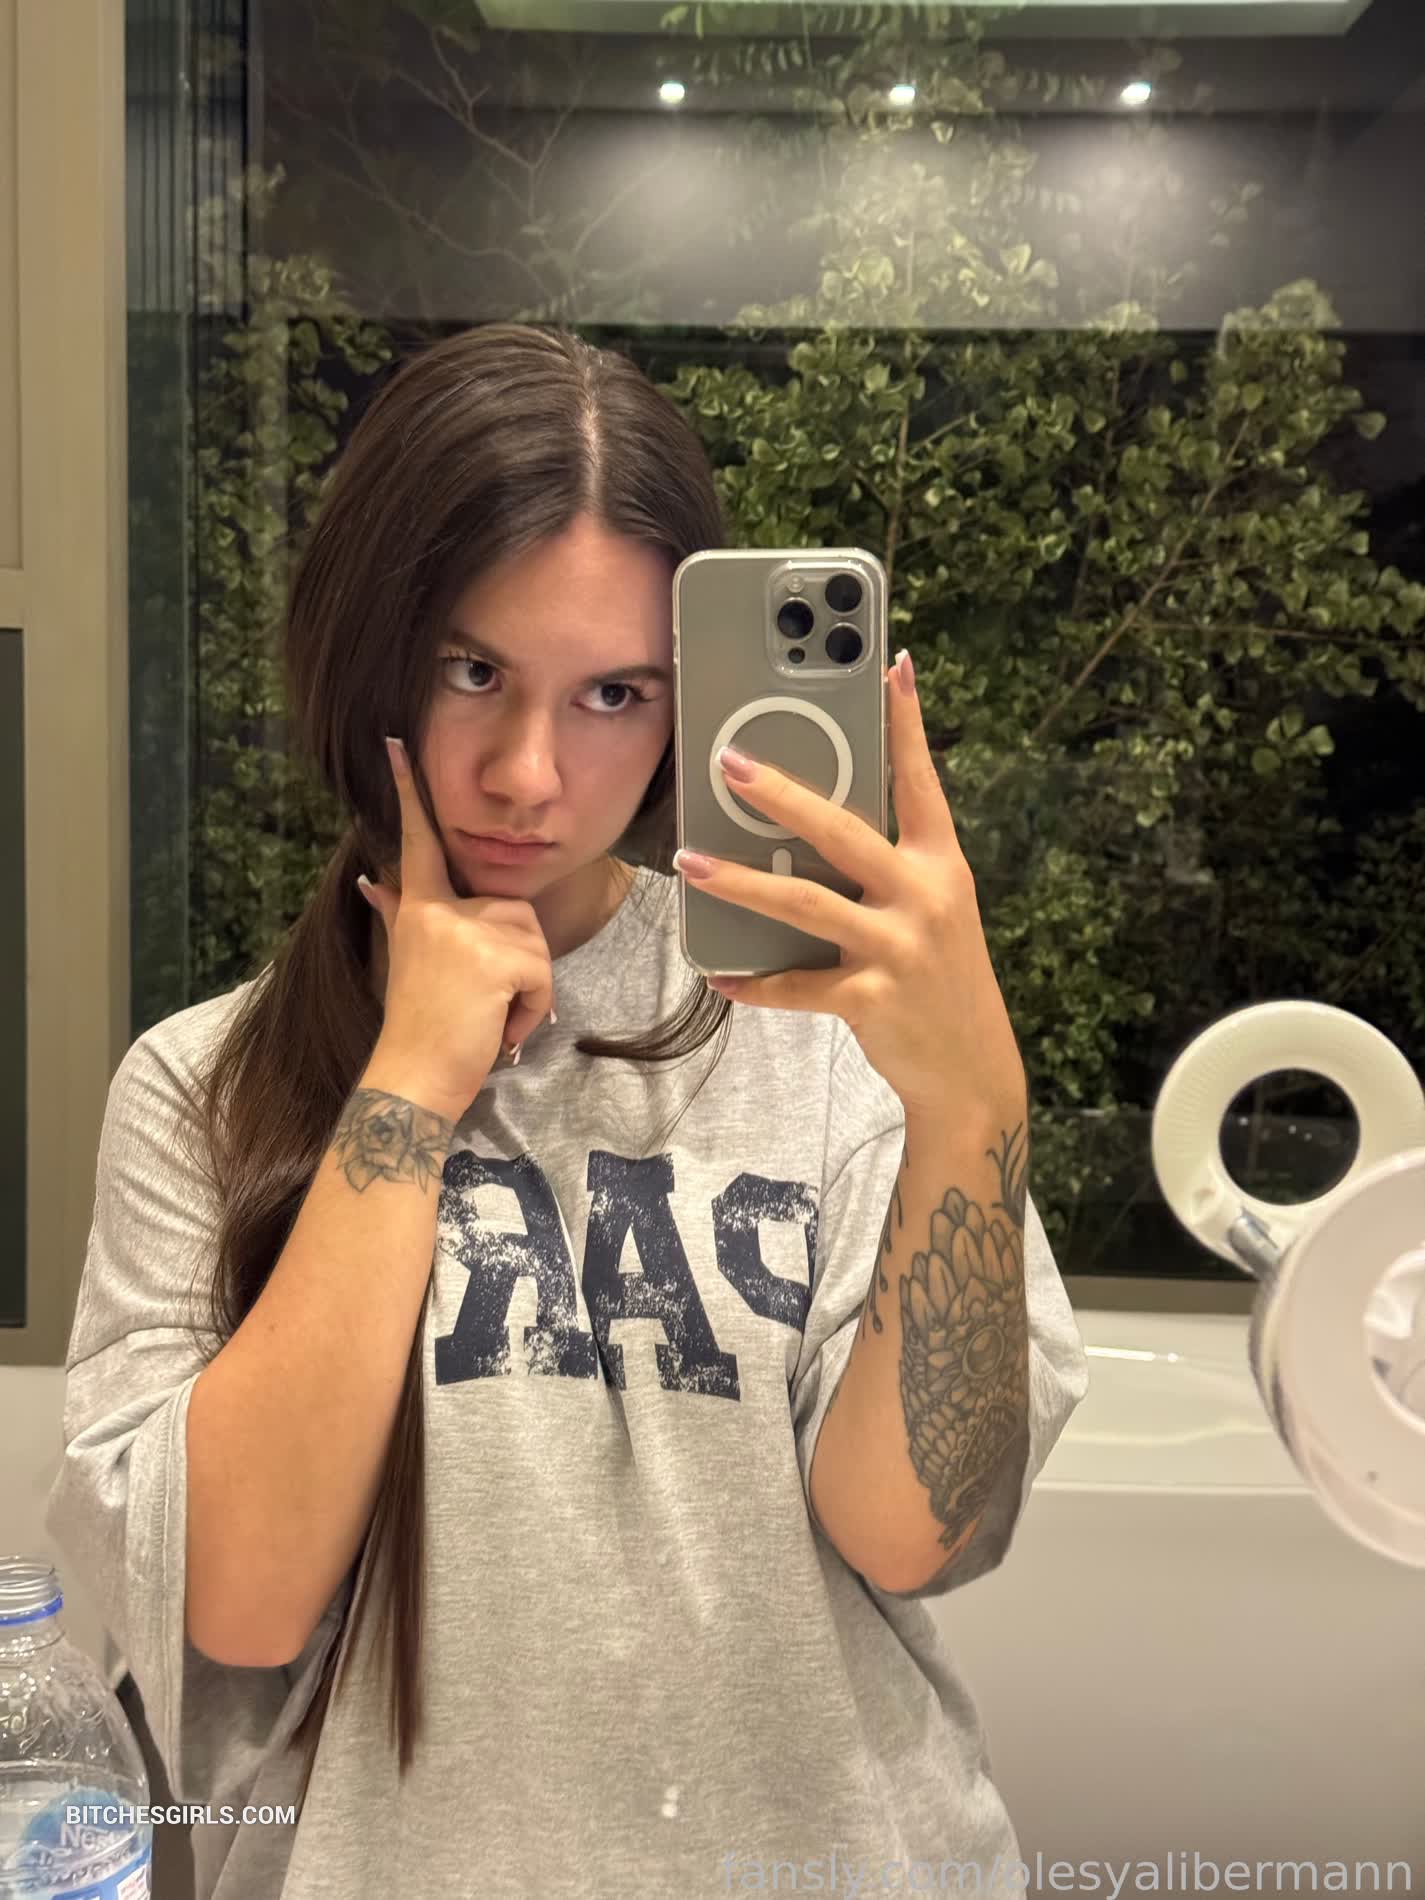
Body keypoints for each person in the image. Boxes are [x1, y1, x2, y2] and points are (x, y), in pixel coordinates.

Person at [46, 322, 1090, 1899]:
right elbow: (237, 1606)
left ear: (685, 708)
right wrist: (411, 1079)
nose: (529, 773)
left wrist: (971, 1107)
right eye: (472, 670)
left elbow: (914, 1533)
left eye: (612, 693)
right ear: (365, 649)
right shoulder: (202, 1087)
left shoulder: (822, 1042)